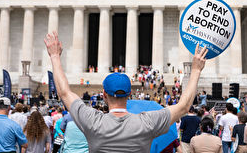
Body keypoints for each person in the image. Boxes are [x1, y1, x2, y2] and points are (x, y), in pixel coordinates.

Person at [44, 32, 207, 152]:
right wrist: (196, 70)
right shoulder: (147, 122)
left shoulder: (93, 122)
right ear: (129, 94)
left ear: (104, 95)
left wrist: (55, 56)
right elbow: (185, 106)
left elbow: (65, 93)